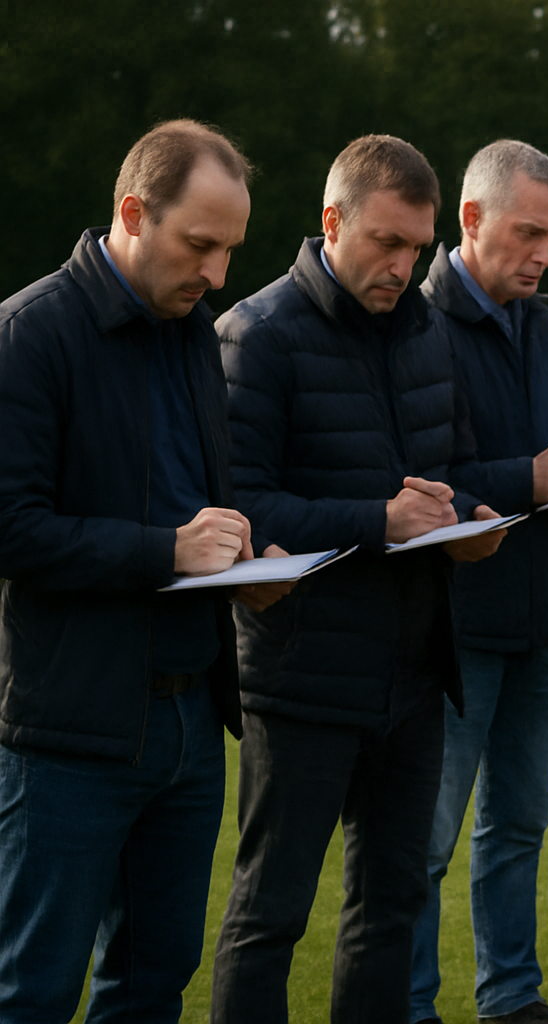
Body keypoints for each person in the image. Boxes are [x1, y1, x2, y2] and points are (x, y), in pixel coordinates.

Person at [210, 134, 506, 1023]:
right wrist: (377, 523)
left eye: (418, 247)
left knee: (391, 909)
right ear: (332, 222)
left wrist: (467, 520)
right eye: (386, 242)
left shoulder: (425, 329)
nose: (404, 265)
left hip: (414, 676)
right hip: (300, 676)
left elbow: (447, 466)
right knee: (270, 915)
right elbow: (239, 508)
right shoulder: (256, 337)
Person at [0, 120, 284, 1022]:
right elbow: (10, 528)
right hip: (67, 733)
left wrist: (246, 562)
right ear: (133, 213)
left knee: (154, 983)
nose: (218, 275)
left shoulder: (195, 330)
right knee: (34, 990)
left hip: (193, 721)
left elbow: (206, 501)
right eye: (200, 245)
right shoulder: (27, 333)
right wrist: (165, 552)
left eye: (231, 250)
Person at [410, 139, 548, 1024]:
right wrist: (523, 482)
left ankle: (508, 995)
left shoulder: (543, 328)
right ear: (470, 221)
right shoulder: (417, 322)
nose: (546, 255)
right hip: (454, 625)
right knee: (423, 840)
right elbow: (417, 470)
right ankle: (413, 1002)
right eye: (529, 233)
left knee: (517, 828)